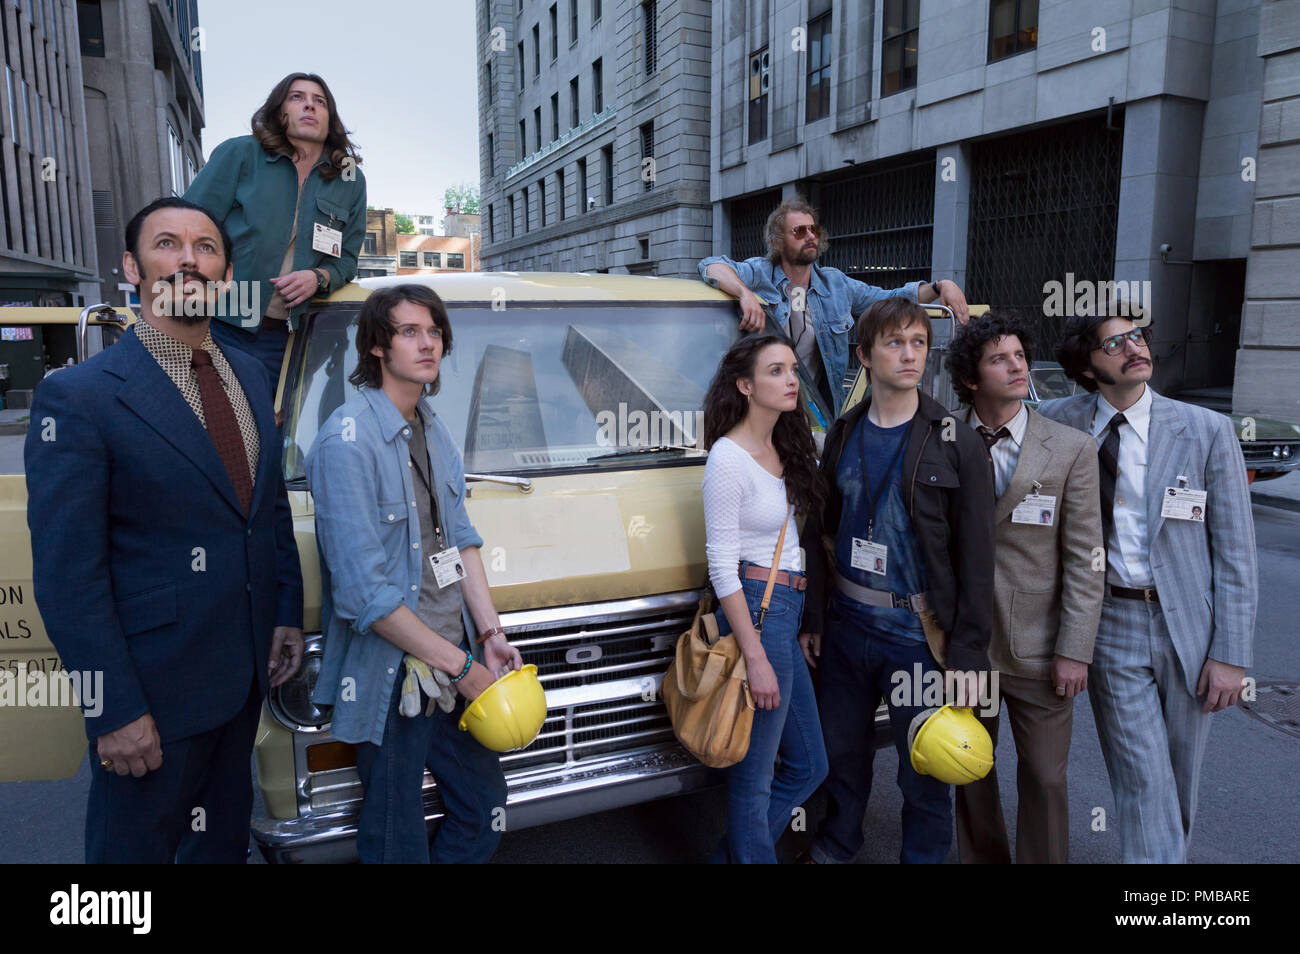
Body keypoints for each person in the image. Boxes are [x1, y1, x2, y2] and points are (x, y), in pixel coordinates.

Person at [25, 196, 304, 863]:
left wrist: (286, 612)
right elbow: (69, 575)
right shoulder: (81, 396)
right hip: (151, 700)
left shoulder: (250, 372)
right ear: (132, 266)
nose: (189, 260)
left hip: (240, 684)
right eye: (168, 244)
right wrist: (113, 709)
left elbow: (266, 510)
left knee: (218, 851)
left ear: (225, 273)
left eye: (206, 248)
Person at [306, 283, 522, 864]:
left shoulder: (433, 427)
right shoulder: (346, 443)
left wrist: (490, 635)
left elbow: (463, 540)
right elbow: (363, 597)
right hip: (396, 670)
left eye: (434, 332)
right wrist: (463, 668)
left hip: (455, 653)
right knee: (395, 834)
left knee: (483, 809)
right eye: (409, 332)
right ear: (377, 346)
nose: (428, 344)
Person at [1037, 312, 1257, 863]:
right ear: (1087, 367)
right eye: (1114, 343)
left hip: (1190, 626)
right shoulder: (1057, 421)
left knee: (1177, 781)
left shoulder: (1205, 430)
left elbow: (1235, 551)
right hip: (1110, 622)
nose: (1133, 347)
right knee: (1142, 777)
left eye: (1137, 336)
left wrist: (1231, 654)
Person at [799, 298, 995, 864]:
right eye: (894, 343)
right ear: (863, 355)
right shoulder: (843, 432)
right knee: (841, 756)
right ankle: (836, 846)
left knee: (923, 771)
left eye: (918, 343)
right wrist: (814, 617)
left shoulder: (955, 439)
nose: (910, 355)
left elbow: (978, 558)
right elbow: (819, 532)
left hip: (917, 637)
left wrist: (966, 656)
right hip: (845, 629)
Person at [943, 312, 1104, 864]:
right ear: (970, 378)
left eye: (1019, 356)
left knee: (1045, 776)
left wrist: (1074, 650)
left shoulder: (1070, 448)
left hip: (1040, 647)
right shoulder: (944, 438)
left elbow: (1087, 560)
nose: (1016, 367)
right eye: (999, 359)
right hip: (963, 645)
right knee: (969, 769)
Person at [701, 333, 828, 863]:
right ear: (746, 385)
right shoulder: (728, 459)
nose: (792, 379)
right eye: (776, 371)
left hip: (784, 607)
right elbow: (721, 567)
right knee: (755, 778)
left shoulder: (786, 445)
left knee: (809, 765)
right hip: (756, 608)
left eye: (793, 369)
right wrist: (755, 655)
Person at [698, 196, 970, 416]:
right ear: (776, 242)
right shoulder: (759, 274)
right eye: (799, 231)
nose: (810, 236)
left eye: (813, 229)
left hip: (816, 411)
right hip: (760, 406)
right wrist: (745, 294)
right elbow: (711, 266)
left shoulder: (835, 285)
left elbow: (893, 296)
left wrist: (939, 286)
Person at [186, 72, 366, 389]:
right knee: (215, 426)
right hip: (220, 325)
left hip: (295, 337)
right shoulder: (240, 154)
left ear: (330, 117)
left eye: (319, 102)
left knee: (275, 431)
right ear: (278, 111)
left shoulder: (350, 179)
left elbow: (347, 261)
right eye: (297, 98)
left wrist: (319, 277)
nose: (309, 106)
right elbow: (188, 228)